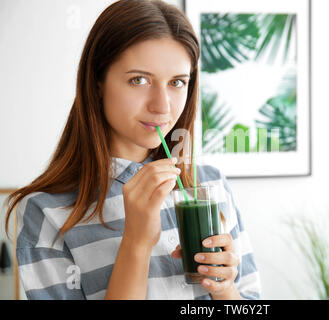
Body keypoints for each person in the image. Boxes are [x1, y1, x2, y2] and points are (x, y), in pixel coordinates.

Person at [3, 0, 261, 300]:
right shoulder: (46, 211)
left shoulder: (211, 186)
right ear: (98, 81)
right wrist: (136, 243)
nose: (162, 106)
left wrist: (225, 288)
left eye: (177, 82)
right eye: (139, 80)